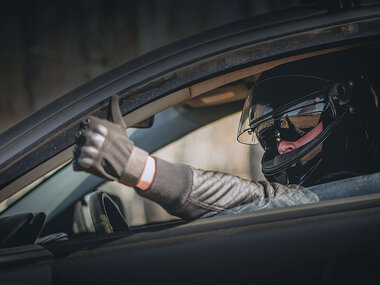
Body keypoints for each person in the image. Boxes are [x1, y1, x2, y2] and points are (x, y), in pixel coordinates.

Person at [73, 47, 380, 220]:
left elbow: (256, 200)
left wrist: (138, 167)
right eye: (269, 133)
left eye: (299, 120)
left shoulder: (362, 192)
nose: (283, 143)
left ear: (349, 108)